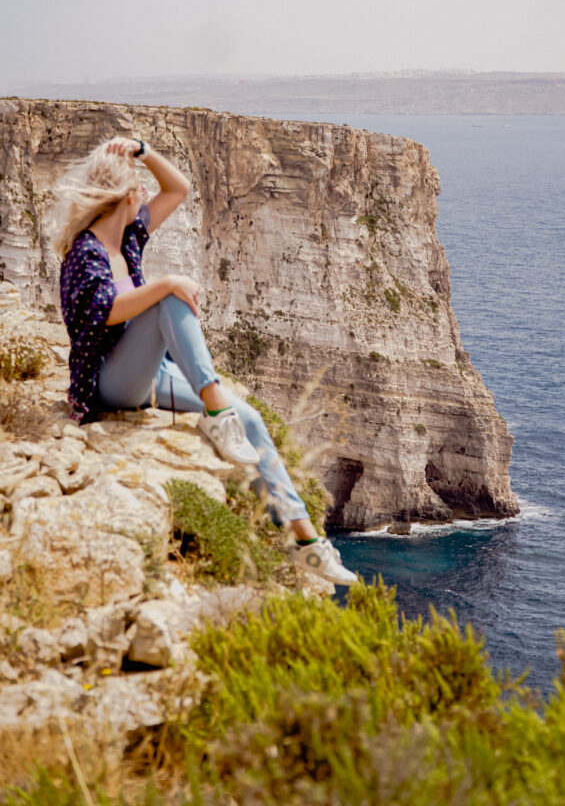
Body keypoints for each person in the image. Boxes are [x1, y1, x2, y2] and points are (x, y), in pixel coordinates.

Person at [54, 135, 356, 586]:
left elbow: (178, 190)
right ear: (128, 195)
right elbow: (107, 313)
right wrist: (168, 282)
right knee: (167, 298)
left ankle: (305, 541)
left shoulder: (128, 238)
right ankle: (215, 406)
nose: (144, 191)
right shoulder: (86, 253)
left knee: (249, 419)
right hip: (106, 383)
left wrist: (143, 150)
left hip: (147, 373)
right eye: (138, 182)